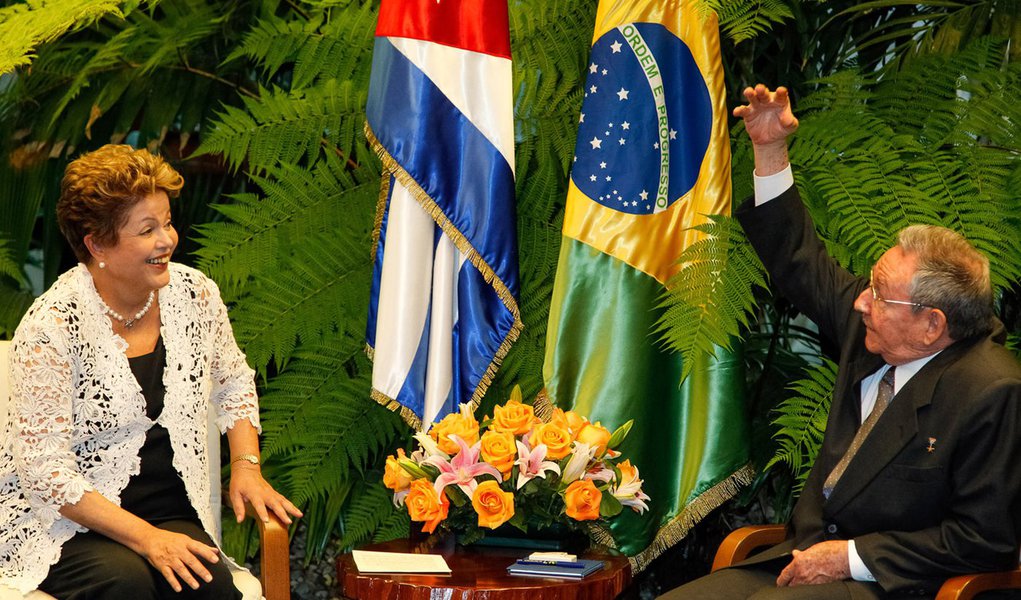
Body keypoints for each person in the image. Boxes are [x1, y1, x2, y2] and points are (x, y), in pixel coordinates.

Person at [659, 85, 1021, 599]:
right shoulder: (879, 326)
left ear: (932, 325)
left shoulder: (992, 391)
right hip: (794, 561)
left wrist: (851, 559)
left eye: (878, 294)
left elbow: (984, 539)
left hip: (893, 584)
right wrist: (769, 150)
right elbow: (800, 261)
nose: (859, 302)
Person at [0, 145, 303, 599]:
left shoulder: (195, 294)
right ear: (97, 244)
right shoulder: (52, 326)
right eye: (147, 230)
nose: (167, 240)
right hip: (64, 523)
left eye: (167, 222)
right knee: (127, 585)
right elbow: (45, 471)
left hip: (169, 512)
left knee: (210, 588)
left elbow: (234, 381)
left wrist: (246, 466)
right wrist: (145, 539)